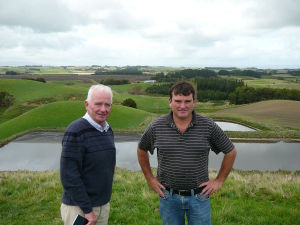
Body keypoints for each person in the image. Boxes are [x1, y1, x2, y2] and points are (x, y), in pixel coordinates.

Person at [137, 81, 237, 225]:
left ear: (194, 102)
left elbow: (230, 151)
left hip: (199, 196)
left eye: (187, 101)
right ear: (170, 102)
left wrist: (219, 181)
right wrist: (150, 178)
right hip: (168, 197)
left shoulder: (208, 125)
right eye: (178, 101)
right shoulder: (156, 126)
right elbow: (141, 149)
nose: (182, 106)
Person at [60, 84, 116, 225]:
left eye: (107, 105)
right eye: (98, 104)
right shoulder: (76, 131)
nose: (103, 109)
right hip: (79, 209)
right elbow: (69, 176)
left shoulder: (107, 129)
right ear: (87, 104)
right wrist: (87, 210)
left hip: (102, 205)